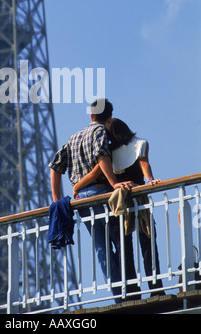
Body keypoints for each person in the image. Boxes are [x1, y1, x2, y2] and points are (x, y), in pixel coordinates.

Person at [49, 99, 135, 302]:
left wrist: (56, 198)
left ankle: (119, 296)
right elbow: (102, 158)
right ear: (110, 117)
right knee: (120, 242)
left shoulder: (74, 137)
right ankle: (129, 289)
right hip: (100, 193)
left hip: (81, 201)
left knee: (101, 248)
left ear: (91, 115)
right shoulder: (100, 132)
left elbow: (55, 167)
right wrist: (114, 183)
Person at [74, 118, 164, 295]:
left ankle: (131, 290)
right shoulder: (140, 143)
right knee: (148, 244)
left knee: (125, 247)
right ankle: (156, 287)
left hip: (118, 203)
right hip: (139, 199)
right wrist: (150, 180)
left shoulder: (109, 152)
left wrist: (76, 187)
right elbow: (144, 163)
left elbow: (95, 173)